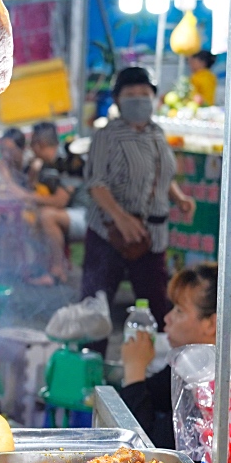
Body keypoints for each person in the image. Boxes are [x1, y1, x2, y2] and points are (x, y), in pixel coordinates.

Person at [81, 66, 196, 333]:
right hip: (110, 235)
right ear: (118, 99)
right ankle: (90, 363)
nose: (139, 100)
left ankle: (158, 366)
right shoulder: (106, 135)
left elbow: (161, 174)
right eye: (130, 94)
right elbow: (95, 183)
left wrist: (179, 198)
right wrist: (121, 219)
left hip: (152, 236)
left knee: (158, 308)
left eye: (144, 94)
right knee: (96, 309)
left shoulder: (157, 133)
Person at [120, 263, 231, 448]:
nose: (167, 318)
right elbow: (155, 394)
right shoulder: (192, 364)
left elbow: (148, 447)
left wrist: (134, 371)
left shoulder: (214, 384)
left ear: (211, 324)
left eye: (179, 310)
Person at [27, 122, 85, 287]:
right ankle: (44, 267)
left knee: (47, 216)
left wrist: (24, 195)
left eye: (32, 144)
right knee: (33, 217)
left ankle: (57, 270)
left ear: (41, 144)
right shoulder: (45, 165)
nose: (30, 149)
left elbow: (60, 201)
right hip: (71, 213)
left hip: (88, 215)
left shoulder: (69, 159)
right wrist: (33, 173)